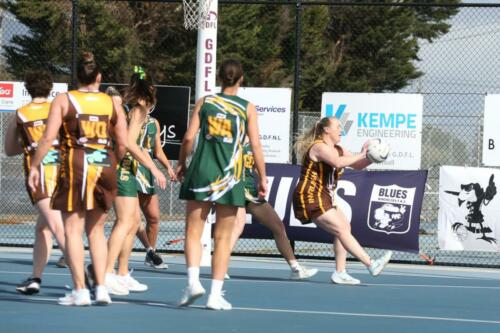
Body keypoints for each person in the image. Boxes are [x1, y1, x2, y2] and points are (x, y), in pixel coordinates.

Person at [28, 52, 128, 306]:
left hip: (77, 163)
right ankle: (102, 288)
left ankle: (80, 290)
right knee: (97, 230)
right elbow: (124, 143)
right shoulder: (111, 102)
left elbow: (47, 138)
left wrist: (35, 166)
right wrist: (113, 161)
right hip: (105, 163)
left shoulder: (64, 99)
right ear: (99, 77)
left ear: (76, 77)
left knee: (73, 230)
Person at [177, 59, 267, 310]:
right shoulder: (247, 107)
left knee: (193, 231)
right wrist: (262, 176)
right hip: (230, 176)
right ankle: (215, 295)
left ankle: (193, 282)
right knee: (223, 237)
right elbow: (256, 145)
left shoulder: (206, 102)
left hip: (202, 171)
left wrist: (182, 163)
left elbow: (188, 138)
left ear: (220, 78)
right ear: (241, 80)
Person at [292, 116, 393, 282]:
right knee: (341, 229)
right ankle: (371, 264)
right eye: (338, 127)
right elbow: (338, 163)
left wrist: (373, 157)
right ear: (326, 130)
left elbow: (357, 165)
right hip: (309, 195)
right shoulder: (318, 147)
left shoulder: (338, 149)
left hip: (324, 196)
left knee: (344, 227)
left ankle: (340, 272)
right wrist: (363, 153)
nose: (341, 130)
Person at [103, 70, 167, 296]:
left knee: (132, 222)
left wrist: (156, 167)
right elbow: (130, 143)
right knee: (124, 222)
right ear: (149, 91)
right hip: (123, 170)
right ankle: (106, 274)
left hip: (129, 169)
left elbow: (140, 147)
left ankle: (121, 274)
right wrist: (151, 167)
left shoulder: (136, 111)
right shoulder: (138, 112)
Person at [4, 70, 66, 295]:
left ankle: (88, 274)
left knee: (57, 226)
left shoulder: (21, 114)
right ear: (50, 88)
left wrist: (32, 145)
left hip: (39, 175)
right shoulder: (58, 110)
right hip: (63, 171)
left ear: (27, 88)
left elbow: (9, 150)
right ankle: (35, 278)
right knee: (43, 228)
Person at [229, 138, 318, 280]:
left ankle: (296, 269)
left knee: (278, 226)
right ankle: (220, 265)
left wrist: (261, 179)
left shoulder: (252, 142)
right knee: (238, 226)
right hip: (236, 189)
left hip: (251, 192)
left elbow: (255, 164)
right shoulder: (232, 138)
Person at [134, 113, 177, 270]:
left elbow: (157, 151)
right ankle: (115, 260)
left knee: (153, 218)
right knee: (130, 220)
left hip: (147, 172)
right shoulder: (131, 117)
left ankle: (150, 255)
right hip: (130, 169)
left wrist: (168, 168)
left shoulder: (154, 122)